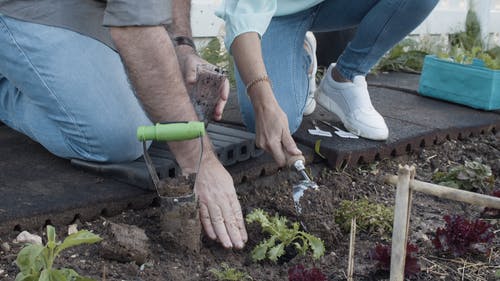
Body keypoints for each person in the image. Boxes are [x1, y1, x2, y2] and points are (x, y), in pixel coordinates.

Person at [0, 0, 247, 249]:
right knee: (120, 135)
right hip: (20, 7)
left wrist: (181, 47)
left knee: (159, 94)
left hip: (88, 8)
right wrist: (199, 161)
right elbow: (134, 28)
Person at [216, 0, 439, 165]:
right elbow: (242, 17)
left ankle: (346, 76)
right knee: (267, 120)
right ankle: (301, 56)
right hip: (275, 13)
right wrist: (264, 102)